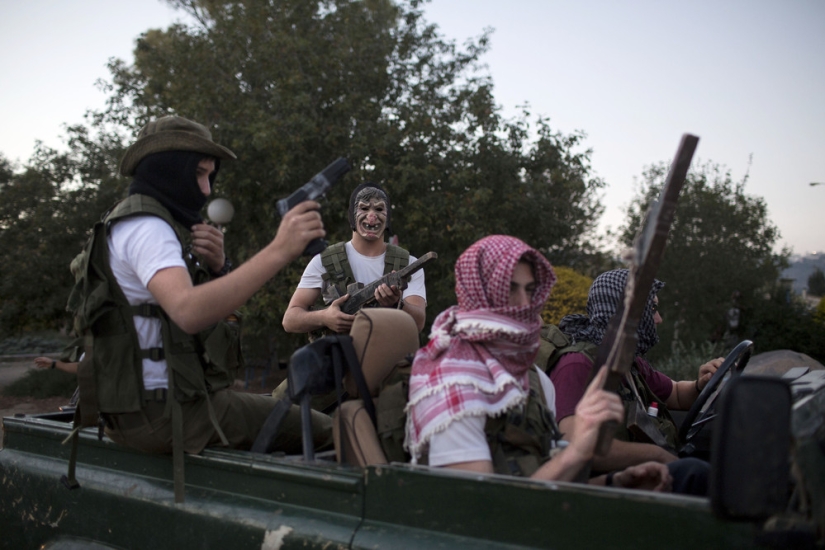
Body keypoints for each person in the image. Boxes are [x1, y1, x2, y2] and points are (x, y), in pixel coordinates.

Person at [71, 115, 331, 458]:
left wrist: (219, 268)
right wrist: (281, 249)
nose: (207, 190)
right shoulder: (149, 228)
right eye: (198, 174)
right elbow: (188, 311)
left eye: (211, 175)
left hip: (143, 411)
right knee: (330, 429)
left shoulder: (132, 220)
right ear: (166, 168)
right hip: (169, 415)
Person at [404, 236, 672, 491]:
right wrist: (578, 450)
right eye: (509, 289)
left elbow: (549, 480)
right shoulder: (452, 380)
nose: (525, 305)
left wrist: (616, 484)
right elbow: (481, 508)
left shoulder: (533, 377)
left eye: (531, 291)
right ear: (477, 293)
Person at [551, 269, 722, 495]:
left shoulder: (629, 362)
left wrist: (702, 384)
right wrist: (657, 456)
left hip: (642, 478)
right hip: (604, 492)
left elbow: (678, 395)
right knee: (696, 473)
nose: (659, 319)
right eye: (651, 309)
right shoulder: (578, 365)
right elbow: (573, 445)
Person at [282, 183, 427, 336]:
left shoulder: (409, 263)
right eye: (364, 208)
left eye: (379, 209)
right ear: (352, 214)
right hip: (340, 357)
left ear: (388, 216)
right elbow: (290, 320)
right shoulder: (324, 261)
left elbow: (418, 323)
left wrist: (397, 304)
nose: (372, 216)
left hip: (389, 357)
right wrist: (325, 317)